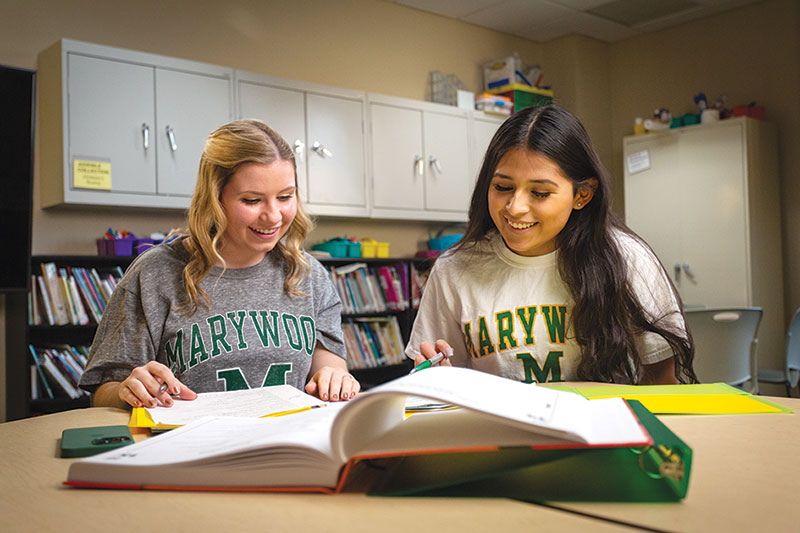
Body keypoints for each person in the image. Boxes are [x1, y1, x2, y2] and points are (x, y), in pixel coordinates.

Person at [406, 105, 696, 385]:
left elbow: (661, 381)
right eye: (502, 187)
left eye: (540, 193)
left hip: (604, 432)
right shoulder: (453, 270)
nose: (515, 207)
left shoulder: (627, 258)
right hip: (499, 434)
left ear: (582, 195)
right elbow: (434, 383)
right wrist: (436, 378)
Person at [80, 119, 360, 409]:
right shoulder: (154, 274)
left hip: (290, 449)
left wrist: (336, 378)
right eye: (252, 200)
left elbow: (329, 368)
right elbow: (104, 394)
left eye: (285, 197)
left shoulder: (309, 275)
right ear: (214, 198)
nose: (274, 216)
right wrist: (130, 390)